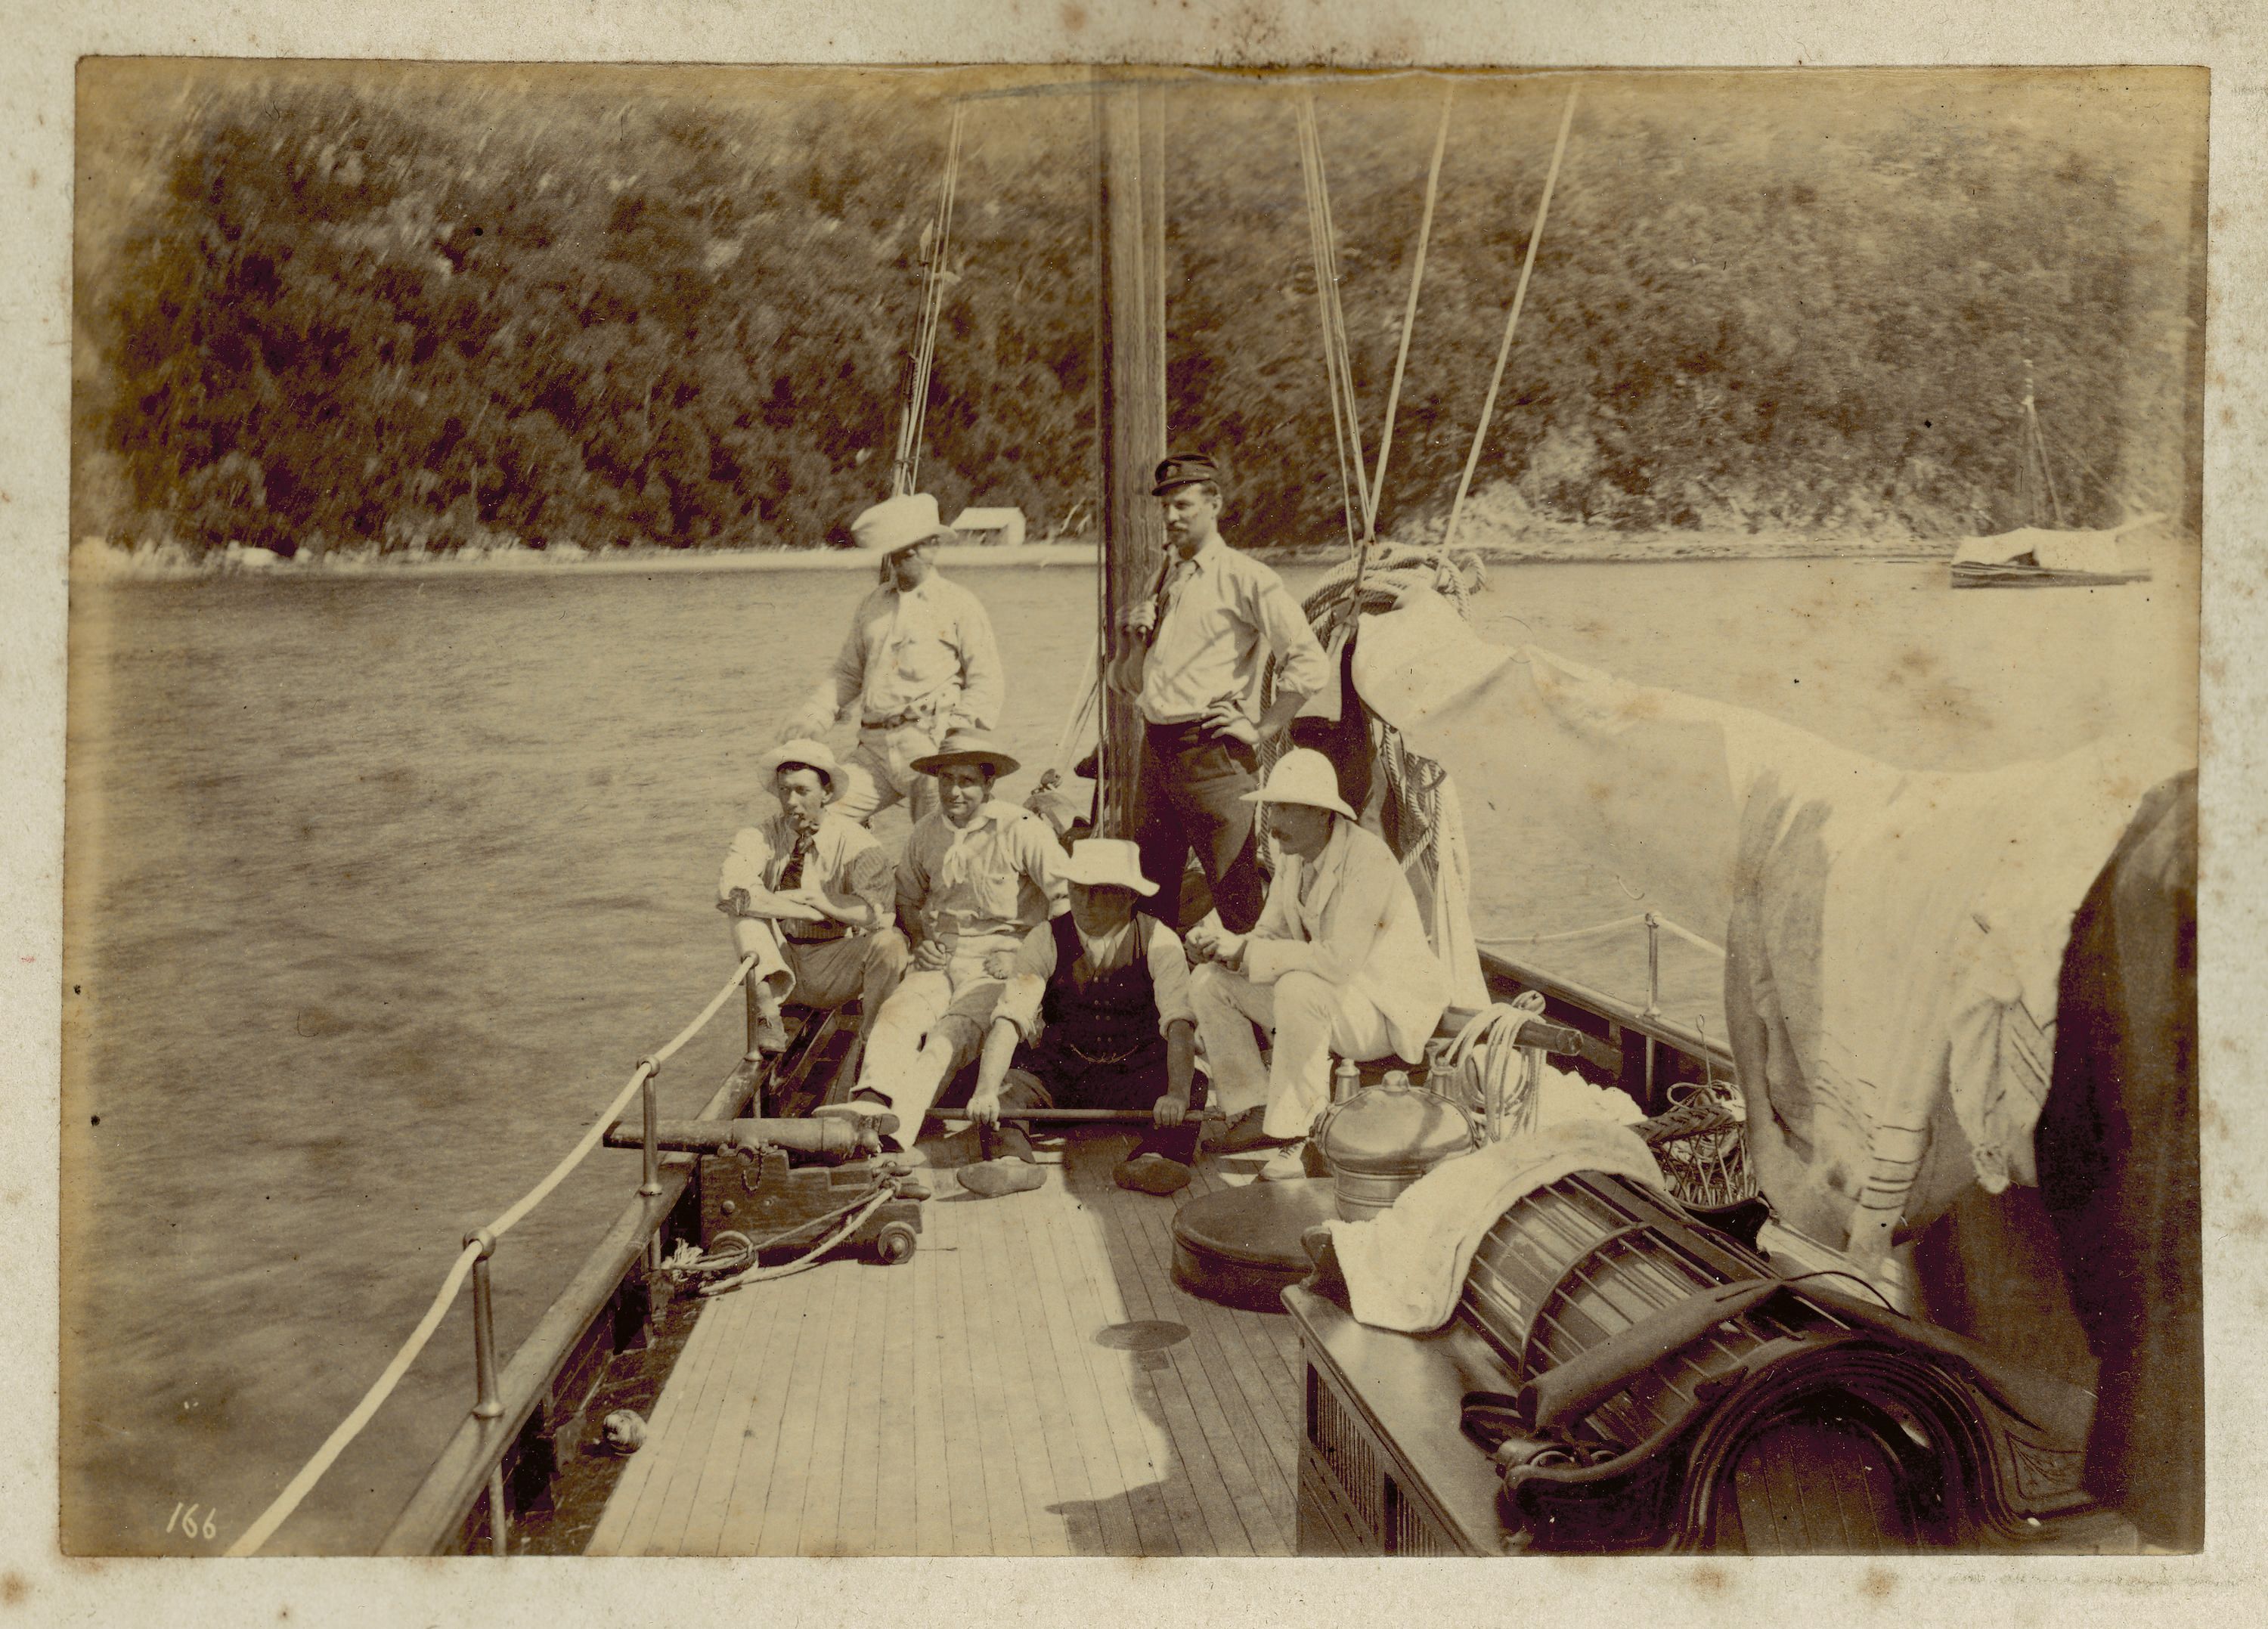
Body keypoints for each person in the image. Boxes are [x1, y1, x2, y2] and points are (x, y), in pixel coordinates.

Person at [1188, 748, 1450, 1173]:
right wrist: (1225, 948)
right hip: (1338, 1001)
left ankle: (1304, 1133)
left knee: (1298, 987)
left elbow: (1338, 962)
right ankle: (1255, 1107)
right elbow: (1267, 938)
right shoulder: (1296, 860)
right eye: (1272, 808)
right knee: (1208, 981)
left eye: (1285, 809)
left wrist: (1250, 952)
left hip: (1385, 1017)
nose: (1272, 825)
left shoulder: (1369, 860)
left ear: (1321, 814)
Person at [1117, 452, 1332, 933]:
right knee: (1149, 894)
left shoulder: (1245, 577)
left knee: (1237, 896)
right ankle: (1163, 1003)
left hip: (1212, 755)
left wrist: (1262, 729)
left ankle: (1254, 1001)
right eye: (1165, 507)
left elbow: (1309, 661)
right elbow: (1130, 683)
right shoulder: (1163, 578)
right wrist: (1129, 641)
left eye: (1184, 505)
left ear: (1214, 505)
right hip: (1155, 753)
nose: (1171, 517)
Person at [826, 729, 1065, 1158]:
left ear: (989, 783)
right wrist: (920, 938)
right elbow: (907, 898)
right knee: (896, 1014)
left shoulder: (1023, 828)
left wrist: (1022, 954)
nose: (954, 791)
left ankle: (895, 1134)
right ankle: (871, 1100)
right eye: (946, 779)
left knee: (947, 1038)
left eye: (967, 780)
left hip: (1002, 961)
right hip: (943, 956)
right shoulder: (924, 833)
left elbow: (1065, 902)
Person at [956, 838, 1206, 1200]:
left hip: (1133, 1076)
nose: (1084, 904)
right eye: (1077, 889)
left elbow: (1180, 1025)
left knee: (1194, 1084)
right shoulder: (1045, 937)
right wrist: (985, 1091)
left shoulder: (1160, 941)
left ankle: (1154, 1158)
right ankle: (1014, 1162)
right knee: (1006, 1086)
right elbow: (1010, 1020)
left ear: (1130, 895)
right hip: (1062, 1074)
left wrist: (1177, 1095)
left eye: (1100, 892)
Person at [781, 491, 1005, 828]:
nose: (912, 553)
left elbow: (986, 678)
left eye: (925, 542)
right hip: (873, 752)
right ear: (892, 551)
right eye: (902, 547)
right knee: (821, 819)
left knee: (940, 839)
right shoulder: (873, 605)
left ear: (933, 546)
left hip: (931, 747)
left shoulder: (960, 604)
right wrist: (813, 716)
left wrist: (958, 735)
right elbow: (847, 673)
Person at [715, 739, 909, 1058]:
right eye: (784, 790)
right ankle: (766, 1012)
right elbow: (731, 893)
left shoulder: (859, 842)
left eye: (802, 791)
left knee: (892, 943)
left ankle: (875, 1042)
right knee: (742, 912)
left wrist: (821, 902)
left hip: (834, 963)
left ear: (827, 794)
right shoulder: (758, 835)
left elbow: (877, 912)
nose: (791, 802)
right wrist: (804, 910)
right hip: (780, 959)